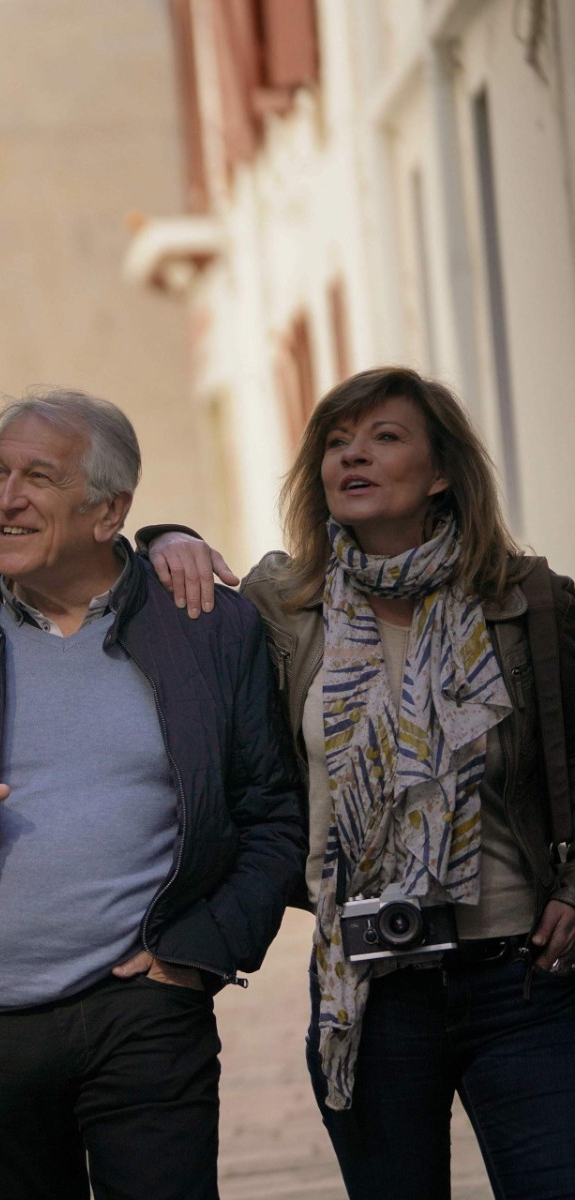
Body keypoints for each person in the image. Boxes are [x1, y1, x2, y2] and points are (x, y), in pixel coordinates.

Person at [0, 388, 304, 1200]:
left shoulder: (208, 628)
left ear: (107, 510)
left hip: (147, 1014)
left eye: (39, 477)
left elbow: (272, 815)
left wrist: (199, 954)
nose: (6, 498)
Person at [145, 366, 575, 1200]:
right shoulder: (284, 604)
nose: (354, 457)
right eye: (337, 444)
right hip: (369, 991)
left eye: (384, 438)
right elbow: (157, 603)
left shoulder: (527, 603)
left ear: (442, 470)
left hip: (521, 979)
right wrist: (166, 537)